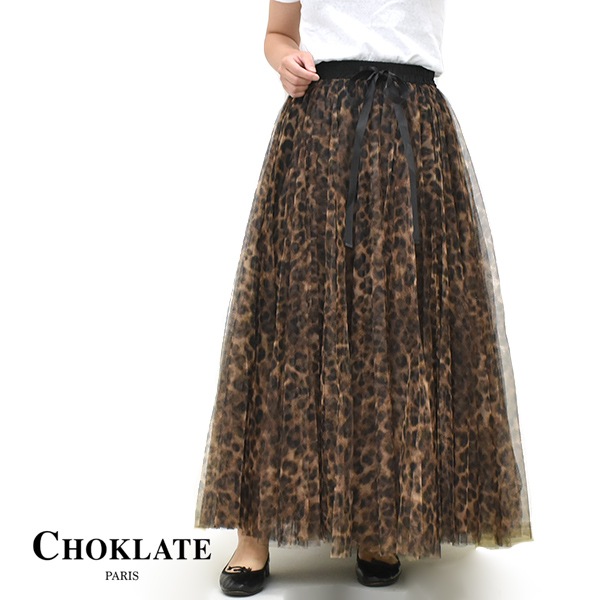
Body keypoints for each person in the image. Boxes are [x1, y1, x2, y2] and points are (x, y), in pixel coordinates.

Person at [194, 0, 534, 595]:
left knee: (398, 330)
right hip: (322, 131)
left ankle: (380, 521)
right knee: (292, 323)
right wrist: (285, 60)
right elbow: (278, 32)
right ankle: (254, 532)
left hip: (413, 132)